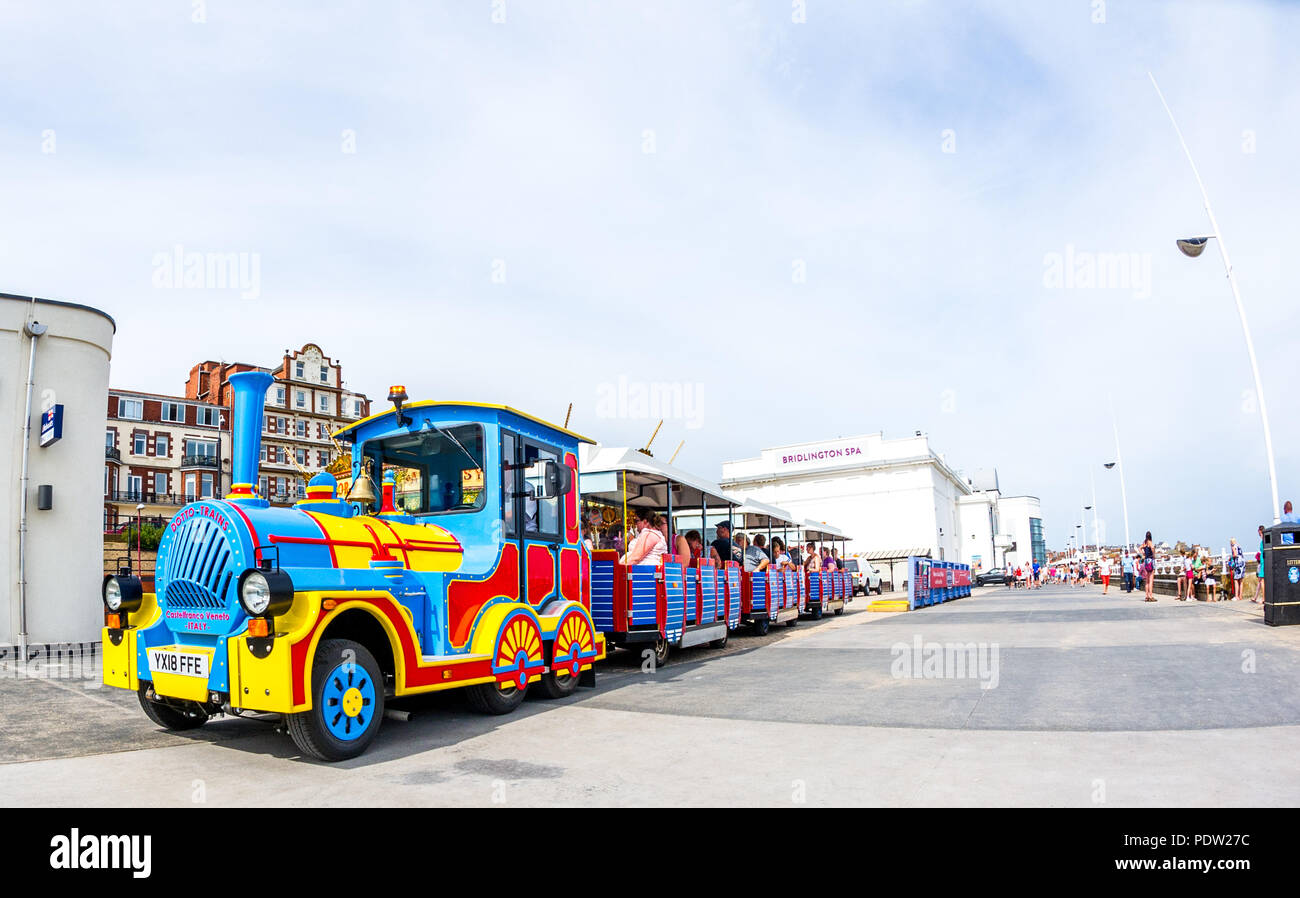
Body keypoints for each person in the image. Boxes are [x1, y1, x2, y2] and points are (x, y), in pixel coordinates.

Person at [1142, 532, 1156, 602]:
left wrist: (1143, 554)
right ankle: (1151, 595)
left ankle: (1146, 596)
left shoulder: (1144, 542)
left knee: (1147, 581)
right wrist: (1153, 555)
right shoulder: (1150, 542)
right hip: (1151, 560)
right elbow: (1152, 548)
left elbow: (1139, 548)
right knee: (1151, 580)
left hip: (1146, 561)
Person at [1256, 524, 1267, 604]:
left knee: (1262, 581)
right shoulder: (1265, 540)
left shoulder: (1263, 541)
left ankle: (1264, 598)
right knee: (1262, 580)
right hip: (1264, 562)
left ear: (1260, 531)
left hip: (1263, 562)